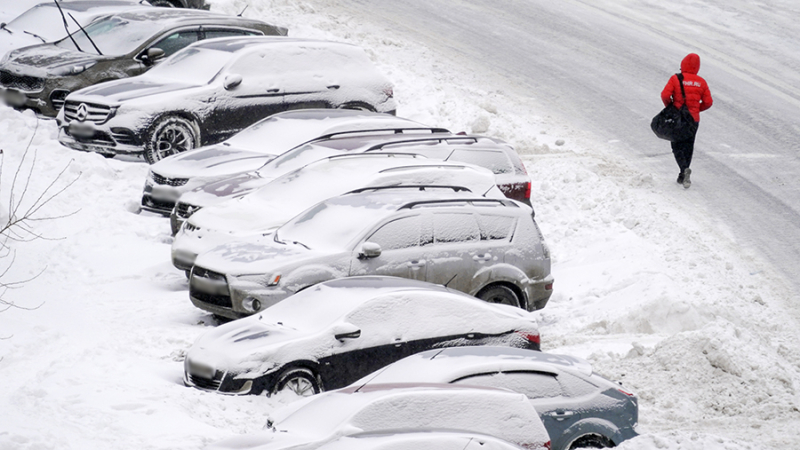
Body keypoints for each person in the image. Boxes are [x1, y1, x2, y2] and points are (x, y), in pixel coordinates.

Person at [661, 53, 713, 189]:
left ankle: (683, 170)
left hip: (678, 118)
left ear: (683, 64)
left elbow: (665, 95)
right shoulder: (701, 82)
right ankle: (684, 173)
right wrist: (696, 109)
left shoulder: (675, 78)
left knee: (676, 145)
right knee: (688, 146)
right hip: (693, 120)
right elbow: (708, 102)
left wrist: (671, 107)